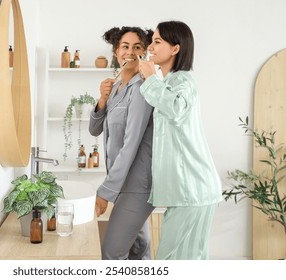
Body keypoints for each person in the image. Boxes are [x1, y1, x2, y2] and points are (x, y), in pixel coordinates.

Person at [138, 20, 223, 260]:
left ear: (175, 48)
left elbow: (174, 108)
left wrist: (149, 78)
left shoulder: (182, 81)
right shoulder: (169, 83)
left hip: (193, 190)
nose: (150, 47)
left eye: (157, 41)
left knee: (172, 262)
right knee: (189, 260)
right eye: (151, 41)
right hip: (191, 191)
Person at [89, 26, 155, 260]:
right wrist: (103, 99)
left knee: (112, 253)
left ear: (145, 53)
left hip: (136, 185)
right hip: (123, 184)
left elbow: (131, 144)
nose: (131, 52)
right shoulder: (115, 87)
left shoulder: (143, 89)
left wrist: (106, 190)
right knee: (139, 248)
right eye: (125, 46)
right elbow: (95, 129)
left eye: (138, 47)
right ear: (116, 52)